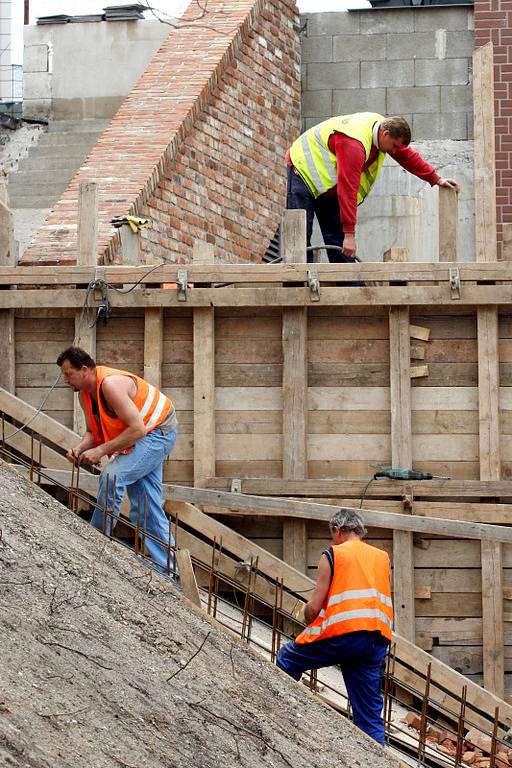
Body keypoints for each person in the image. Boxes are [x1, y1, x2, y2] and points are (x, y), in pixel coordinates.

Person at [57, 346, 178, 576]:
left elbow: (138, 429)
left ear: (84, 370)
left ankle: (95, 542)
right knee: (146, 504)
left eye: (68, 374)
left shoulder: (110, 385)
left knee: (113, 476)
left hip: (158, 432)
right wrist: (81, 448)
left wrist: (101, 451)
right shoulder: (85, 394)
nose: (64, 380)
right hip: (144, 434)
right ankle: (169, 570)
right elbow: (92, 432)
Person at [276, 509, 393, 745]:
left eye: (332, 534)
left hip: (346, 635)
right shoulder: (382, 557)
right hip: (377, 640)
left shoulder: (333, 554)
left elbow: (316, 607)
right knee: (369, 717)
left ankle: (277, 716)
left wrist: (307, 616)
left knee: (288, 658)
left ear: (338, 530)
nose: (332, 539)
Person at [286, 112, 460, 262]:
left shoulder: (382, 129)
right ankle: (298, 284)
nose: (394, 152)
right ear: (385, 134)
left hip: (328, 185)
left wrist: (435, 179)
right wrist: (349, 234)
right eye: (393, 146)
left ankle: (351, 288)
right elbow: (348, 189)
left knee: (337, 242)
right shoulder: (354, 143)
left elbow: (407, 156)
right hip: (303, 171)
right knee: (300, 237)